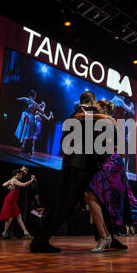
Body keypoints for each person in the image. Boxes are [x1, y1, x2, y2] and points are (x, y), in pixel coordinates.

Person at [30, 91, 116, 253]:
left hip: (70, 163)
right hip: (81, 165)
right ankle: (39, 241)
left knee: (81, 200)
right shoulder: (89, 112)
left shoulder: (72, 116)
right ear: (93, 101)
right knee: (65, 204)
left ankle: (106, 237)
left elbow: (64, 141)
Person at [83, 100, 137, 252]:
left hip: (112, 163)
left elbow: (87, 115)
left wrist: (84, 109)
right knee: (129, 201)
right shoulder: (100, 120)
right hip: (109, 163)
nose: (94, 108)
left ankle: (105, 237)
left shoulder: (108, 119)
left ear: (104, 108)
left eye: (97, 106)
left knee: (90, 193)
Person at [0, 169, 36, 239]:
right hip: (10, 200)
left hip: (12, 200)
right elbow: (24, 184)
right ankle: (5, 232)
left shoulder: (13, 179)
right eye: (21, 174)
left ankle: (25, 232)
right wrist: (31, 180)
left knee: (17, 216)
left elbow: (3, 184)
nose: (22, 176)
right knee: (12, 216)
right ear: (18, 174)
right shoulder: (14, 180)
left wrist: (8, 186)